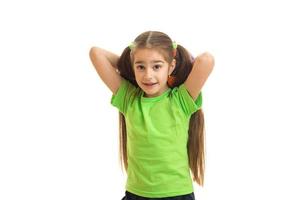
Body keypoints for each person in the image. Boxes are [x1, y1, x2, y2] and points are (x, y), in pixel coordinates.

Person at [89, 31, 214, 200]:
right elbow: (96, 53)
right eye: (141, 66)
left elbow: (206, 60)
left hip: (176, 194)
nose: (148, 75)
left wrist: (175, 52)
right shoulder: (129, 100)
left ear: (170, 66)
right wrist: (129, 62)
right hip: (136, 194)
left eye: (157, 66)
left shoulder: (180, 101)